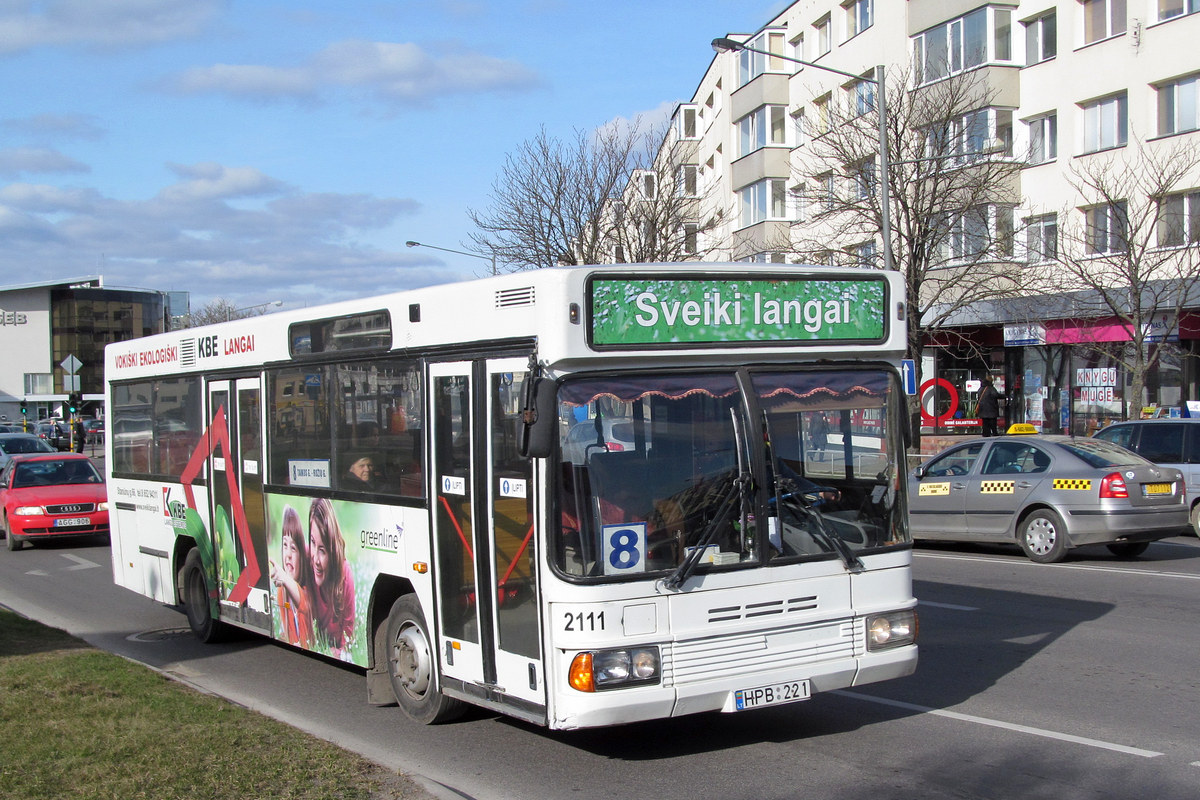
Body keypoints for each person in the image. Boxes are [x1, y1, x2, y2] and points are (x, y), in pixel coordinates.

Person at [308, 497, 356, 657]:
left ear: (333, 550)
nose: (315, 559)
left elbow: (349, 635)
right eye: (313, 542)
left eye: (322, 550)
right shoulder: (306, 562)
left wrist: (337, 651)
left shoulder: (344, 573)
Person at [269, 505, 313, 648]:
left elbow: (303, 603)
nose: (287, 554)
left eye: (293, 548)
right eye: (285, 545)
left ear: (302, 555)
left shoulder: (308, 589)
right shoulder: (282, 591)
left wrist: (284, 578)